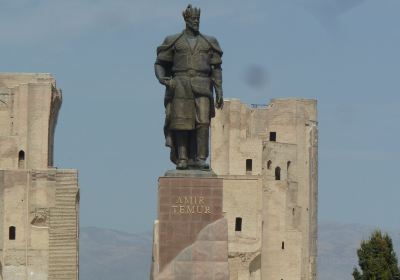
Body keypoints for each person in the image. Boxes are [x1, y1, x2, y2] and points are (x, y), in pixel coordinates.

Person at [155, 4, 223, 170]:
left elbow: (216, 68)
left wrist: (219, 89)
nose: (196, 22)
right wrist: (163, 79)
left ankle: (200, 158)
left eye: (197, 19)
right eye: (193, 19)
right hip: (180, 84)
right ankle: (183, 158)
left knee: (203, 122)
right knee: (181, 123)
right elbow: (160, 64)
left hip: (203, 84)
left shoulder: (209, 42)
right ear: (186, 20)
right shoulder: (174, 41)